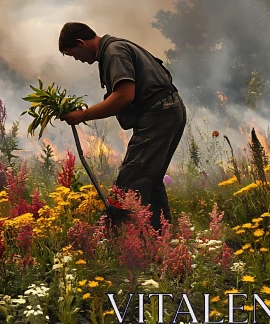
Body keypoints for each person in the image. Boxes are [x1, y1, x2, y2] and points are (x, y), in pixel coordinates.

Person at [57, 22, 186, 231]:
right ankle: (161, 239)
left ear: (81, 43)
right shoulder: (116, 48)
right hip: (167, 111)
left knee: (131, 182)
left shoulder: (113, 52)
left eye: (73, 55)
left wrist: (82, 115)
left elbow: (124, 96)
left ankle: (122, 240)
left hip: (159, 115)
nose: (78, 60)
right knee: (150, 181)